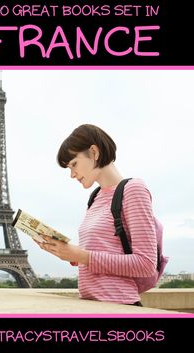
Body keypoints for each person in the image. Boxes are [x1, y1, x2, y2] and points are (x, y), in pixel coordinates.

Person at [36, 124, 158, 306]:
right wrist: (66, 252)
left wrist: (83, 256)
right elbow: (101, 252)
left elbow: (146, 264)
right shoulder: (94, 198)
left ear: (94, 152)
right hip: (91, 304)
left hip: (120, 306)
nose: (72, 174)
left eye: (74, 164)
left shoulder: (133, 189)